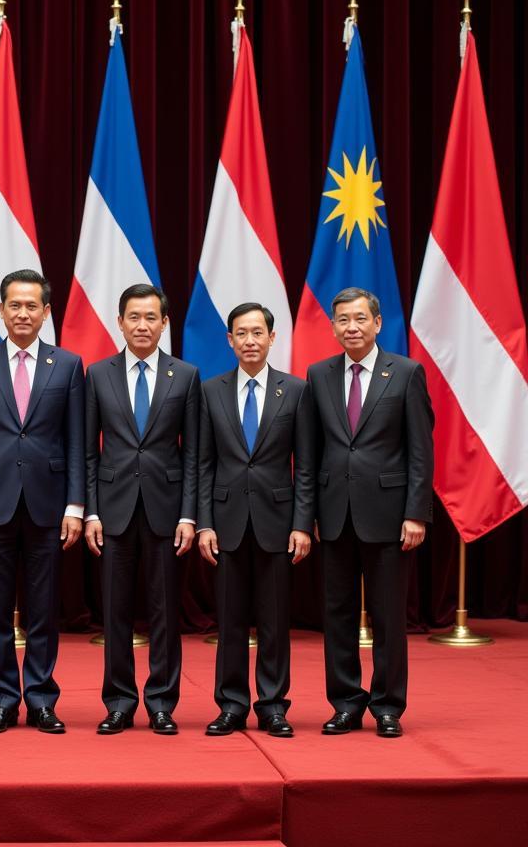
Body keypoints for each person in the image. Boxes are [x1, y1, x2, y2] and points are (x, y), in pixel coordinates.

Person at [0, 269, 85, 734]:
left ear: (46, 312)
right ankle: (3, 701)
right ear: (2, 309)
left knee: (43, 608)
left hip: (50, 506)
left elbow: (76, 441)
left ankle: (42, 698)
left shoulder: (68, 365)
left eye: (33, 306)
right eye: (15, 305)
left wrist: (76, 506)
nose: (23, 313)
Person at [308, 287, 433, 738]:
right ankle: (345, 702)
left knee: (386, 616)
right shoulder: (318, 375)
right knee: (337, 615)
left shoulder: (405, 373)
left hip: (389, 515)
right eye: (343, 320)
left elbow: (420, 450)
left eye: (360, 319)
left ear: (377, 323)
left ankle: (386, 706)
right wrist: (310, 516)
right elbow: (312, 451)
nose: (352, 327)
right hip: (334, 515)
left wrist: (416, 512)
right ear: (334, 326)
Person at [84, 284, 199, 736]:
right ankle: (118, 702)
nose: (142, 325)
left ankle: (162, 703)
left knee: (164, 610)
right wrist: (90, 511)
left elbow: (193, 454)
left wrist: (189, 515)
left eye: (151, 317)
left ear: (164, 322)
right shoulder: (98, 374)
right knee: (114, 612)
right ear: (120, 322)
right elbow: (88, 452)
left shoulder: (184, 376)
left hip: (167, 511)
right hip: (112, 512)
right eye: (134, 317)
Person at [197, 302, 315, 738]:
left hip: (278, 522)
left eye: (257, 333)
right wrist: (204, 522)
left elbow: (305, 464)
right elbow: (203, 463)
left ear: (271, 338)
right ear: (229, 340)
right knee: (228, 622)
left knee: (273, 620)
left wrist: (303, 523)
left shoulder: (296, 391)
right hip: (225, 522)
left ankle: (272, 706)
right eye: (240, 334)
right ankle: (230, 705)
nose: (249, 341)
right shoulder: (211, 391)